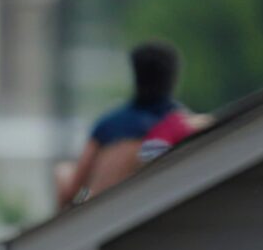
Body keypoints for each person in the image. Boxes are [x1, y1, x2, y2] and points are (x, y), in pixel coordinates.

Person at [55, 40, 186, 208]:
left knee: (63, 171)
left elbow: (74, 188)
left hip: (109, 212)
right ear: (173, 77)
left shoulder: (110, 125)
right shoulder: (185, 125)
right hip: (164, 207)